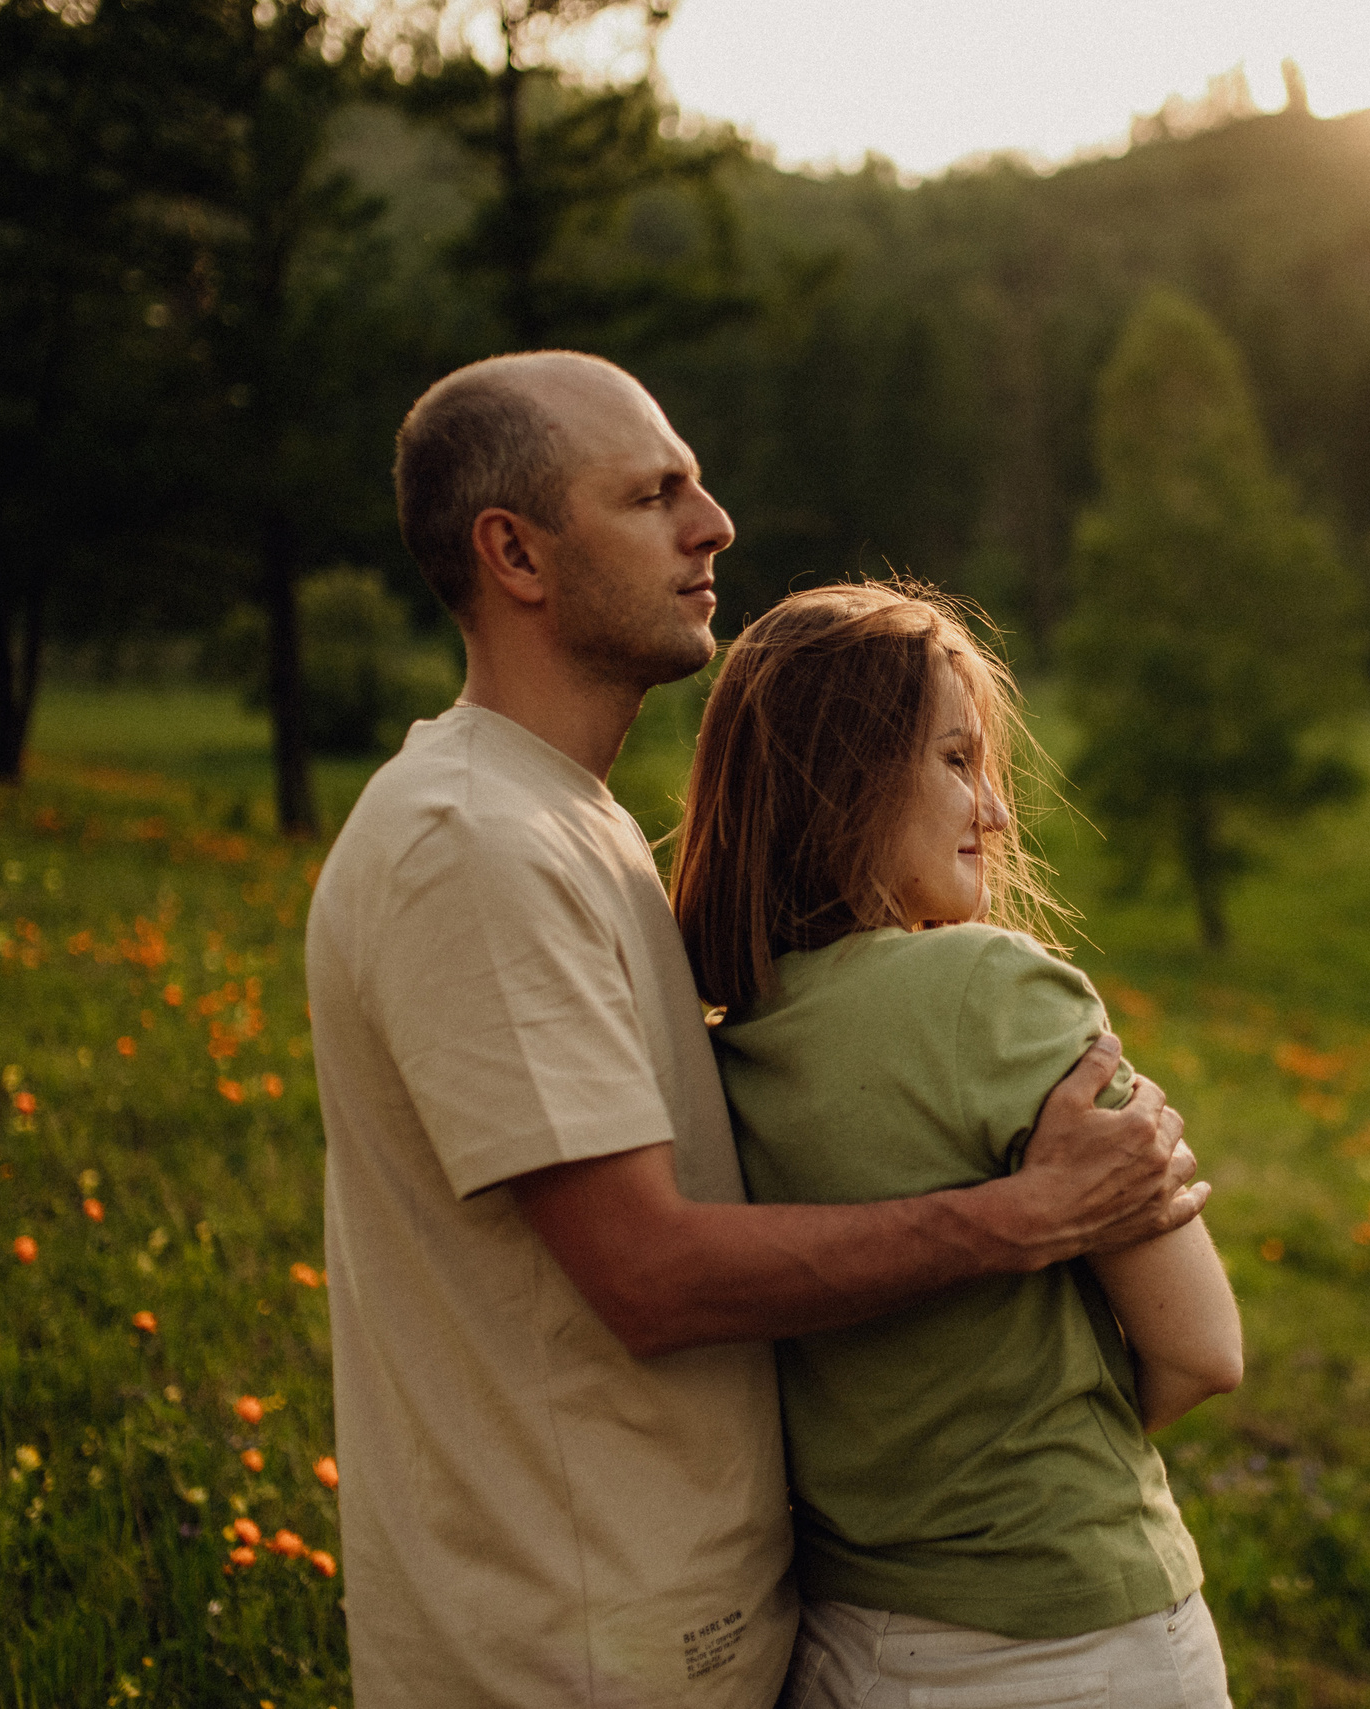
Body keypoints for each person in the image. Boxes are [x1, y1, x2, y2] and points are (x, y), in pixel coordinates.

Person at [308, 350, 1206, 1709]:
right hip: (573, 1652)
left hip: (695, 1633)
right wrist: (1030, 1218)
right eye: (655, 493)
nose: (714, 521)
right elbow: (648, 1275)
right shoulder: (472, 840)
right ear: (517, 554)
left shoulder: (574, 824)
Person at [671, 583, 1243, 1709]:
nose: (992, 806)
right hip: (1072, 1636)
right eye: (953, 759)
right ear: (844, 774)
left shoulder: (718, 1049)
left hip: (838, 1642)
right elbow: (1203, 1350)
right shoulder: (993, 989)